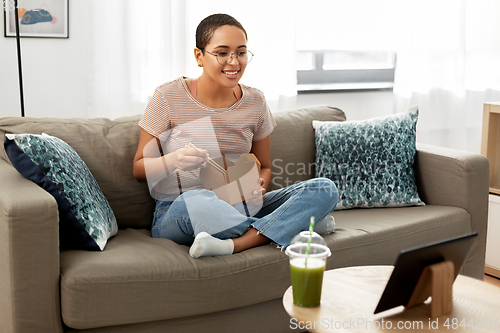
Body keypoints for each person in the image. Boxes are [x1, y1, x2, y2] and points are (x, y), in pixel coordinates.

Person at [133, 13, 338, 259]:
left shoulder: (255, 101)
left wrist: (259, 184)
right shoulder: (167, 97)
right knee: (199, 199)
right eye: (222, 52)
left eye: (241, 52)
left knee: (324, 189)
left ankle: (237, 243)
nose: (234, 62)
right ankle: (296, 226)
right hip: (180, 209)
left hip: (238, 206)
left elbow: (265, 167)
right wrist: (174, 160)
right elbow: (138, 168)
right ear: (199, 56)